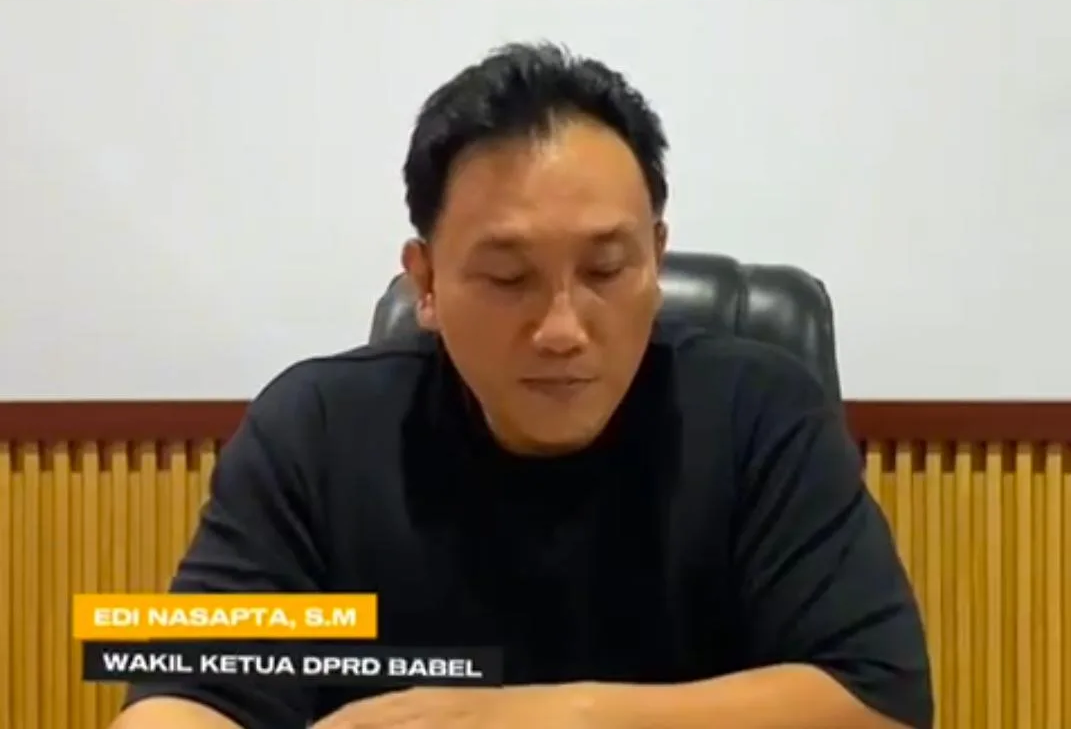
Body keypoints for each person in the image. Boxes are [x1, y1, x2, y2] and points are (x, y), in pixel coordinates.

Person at [113, 41, 933, 729]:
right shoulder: (318, 433)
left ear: (655, 259)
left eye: (605, 270)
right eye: (508, 278)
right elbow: (189, 693)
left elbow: (877, 699)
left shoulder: (758, 415)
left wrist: (543, 715)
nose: (562, 328)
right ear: (425, 282)